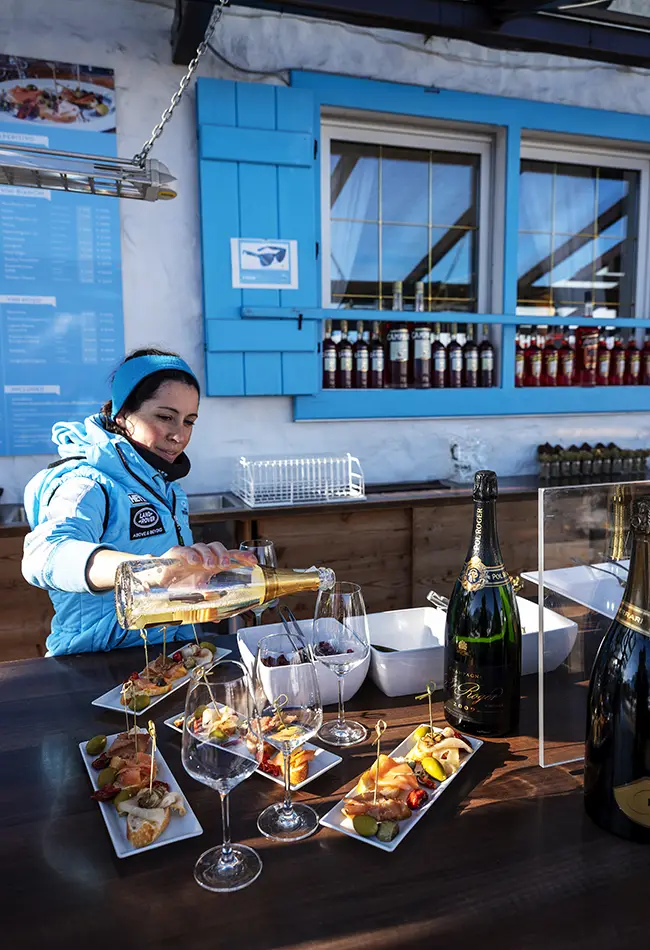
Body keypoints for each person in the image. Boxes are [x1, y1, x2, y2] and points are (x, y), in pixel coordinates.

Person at [22, 348, 254, 656]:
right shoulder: (86, 482)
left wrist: (213, 577)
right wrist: (145, 570)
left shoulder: (163, 485)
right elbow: (46, 553)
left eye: (189, 421)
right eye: (165, 417)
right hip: (94, 664)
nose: (178, 435)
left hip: (167, 656)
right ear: (123, 414)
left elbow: (171, 580)